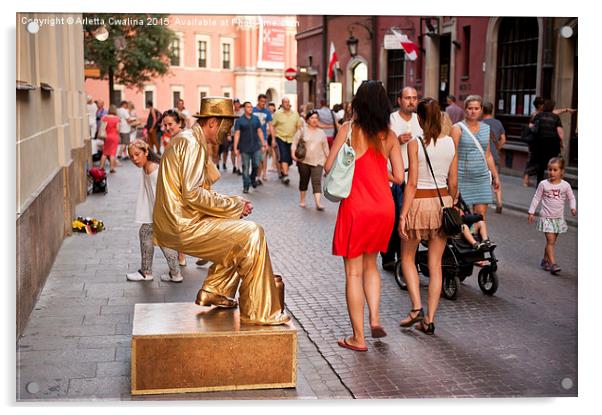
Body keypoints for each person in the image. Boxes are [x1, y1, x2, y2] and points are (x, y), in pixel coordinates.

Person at [153, 96, 289, 325]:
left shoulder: (190, 139)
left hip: (179, 219)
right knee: (252, 234)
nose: (229, 132)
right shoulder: (191, 143)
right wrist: (233, 205)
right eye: (227, 125)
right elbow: (193, 193)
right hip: (181, 223)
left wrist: (231, 206)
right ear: (213, 122)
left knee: (236, 232)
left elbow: (193, 191)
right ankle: (260, 312)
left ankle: (215, 289)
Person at [327, 80, 403, 351]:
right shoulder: (390, 136)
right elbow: (399, 176)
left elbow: (328, 167)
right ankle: (375, 318)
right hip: (384, 208)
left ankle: (358, 338)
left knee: (353, 274)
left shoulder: (348, 130)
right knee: (372, 266)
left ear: (358, 102)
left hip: (356, 208)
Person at [398, 98, 458, 336]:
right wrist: (452, 203)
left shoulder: (415, 144)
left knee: (407, 258)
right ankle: (430, 320)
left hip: (419, 204)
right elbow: (453, 182)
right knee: (435, 265)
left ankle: (416, 308)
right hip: (442, 203)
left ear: (420, 119)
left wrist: (403, 214)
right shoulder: (451, 143)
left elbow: (411, 183)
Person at [126, 139, 183, 283]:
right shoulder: (147, 167)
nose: (135, 159)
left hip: (161, 213)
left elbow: (163, 194)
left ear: (146, 152)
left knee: (158, 238)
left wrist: (162, 216)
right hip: (156, 212)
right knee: (150, 235)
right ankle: (170, 273)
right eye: (131, 156)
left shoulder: (152, 169)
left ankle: (155, 273)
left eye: (137, 154)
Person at [381, 86, 423, 272]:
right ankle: (389, 256)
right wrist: (396, 141)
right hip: (393, 177)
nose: (411, 101)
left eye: (414, 98)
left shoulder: (420, 120)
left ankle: (405, 257)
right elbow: (380, 145)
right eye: (407, 98)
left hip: (414, 176)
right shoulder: (390, 119)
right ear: (399, 100)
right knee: (392, 218)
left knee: (409, 217)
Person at [451, 95, 500, 227]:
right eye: (470, 108)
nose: (473, 111)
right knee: (464, 216)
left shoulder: (486, 128)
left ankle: (480, 243)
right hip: (462, 176)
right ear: (465, 110)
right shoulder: (457, 128)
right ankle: (470, 243)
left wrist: (495, 176)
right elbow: (452, 155)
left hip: (481, 177)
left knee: (480, 216)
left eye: (476, 108)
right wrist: (453, 179)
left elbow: (488, 155)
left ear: (481, 110)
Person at [528, 156, 576, 275]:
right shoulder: (543, 184)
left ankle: (545, 260)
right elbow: (536, 198)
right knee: (550, 240)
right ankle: (553, 264)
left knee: (552, 242)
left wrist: (573, 207)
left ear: (561, 171)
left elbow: (571, 197)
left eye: (555, 170)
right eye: (550, 169)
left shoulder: (565, 185)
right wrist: (531, 211)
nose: (551, 172)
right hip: (546, 218)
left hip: (558, 218)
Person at [291, 109, 329, 210]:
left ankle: (318, 203)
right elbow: (294, 143)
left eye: (316, 118)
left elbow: (326, 148)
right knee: (304, 180)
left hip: (318, 161)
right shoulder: (302, 130)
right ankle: (302, 200)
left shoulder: (321, 132)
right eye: (312, 118)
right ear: (307, 120)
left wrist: (328, 161)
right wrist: (293, 154)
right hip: (304, 161)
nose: (314, 120)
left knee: (317, 182)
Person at [234, 101, 266, 193]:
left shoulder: (256, 119)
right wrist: (235, 148)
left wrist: (263, 143)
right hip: (244, 148)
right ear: (244, 109)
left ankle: (252, 178)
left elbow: (259, 131)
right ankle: (246, 185)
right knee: (245, 167)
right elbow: (237, 134)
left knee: (256, 164)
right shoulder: (240, 121)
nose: (250, 108)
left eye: (251, 107)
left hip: (256, 147)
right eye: (248, 107)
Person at [531, 99, 565, 185]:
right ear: (552, 107)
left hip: (540, 144)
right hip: (553, 144)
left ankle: (539, 184)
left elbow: (532, 126)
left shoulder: (538, 116)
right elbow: (560, 132)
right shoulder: (555, 117)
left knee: (540, 166)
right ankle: (552, 182)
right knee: (553, 163)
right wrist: (561, 142)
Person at [482, 101, 507, 214]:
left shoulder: (479, 124)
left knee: (483, 180)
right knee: (496, 178)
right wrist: (497, 148)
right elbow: (503, 139)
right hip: (495, 155)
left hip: (482, 156)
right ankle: (499, 201)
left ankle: (483, 202)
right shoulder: (498, 123)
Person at [273, 97, 301, 185]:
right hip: (281, 137)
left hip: (292, 139)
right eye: (285, 102)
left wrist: (299, 138)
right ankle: (285, 175)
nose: (287, 103)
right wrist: (273, 139)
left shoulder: (295, 113)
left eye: (288, 102)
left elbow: (298, 126)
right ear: (282, 104)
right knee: (284, 156)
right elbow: (273, 126)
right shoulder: (277, 113)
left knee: (289, 159)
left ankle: (283, 170)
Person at [253, 94, 274, 186]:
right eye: (261, 101)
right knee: (254, 158)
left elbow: (270, 125)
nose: (263, 104)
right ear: (258, 100)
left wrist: (273, 138)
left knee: (261, 159)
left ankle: (258, 176)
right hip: (252, 138)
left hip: (263, 138)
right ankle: (254, 174)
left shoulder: (267, 112)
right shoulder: (253, 110)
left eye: (265, 102)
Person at [99, 105, 120, 173]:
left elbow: (102, 127)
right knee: (112, 153)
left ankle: (101, 167)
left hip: (107, 136)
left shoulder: (105, 118)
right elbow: (118, 129)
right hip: (114, 137)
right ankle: (111, 168)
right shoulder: (116, 118)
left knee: (105, 152)